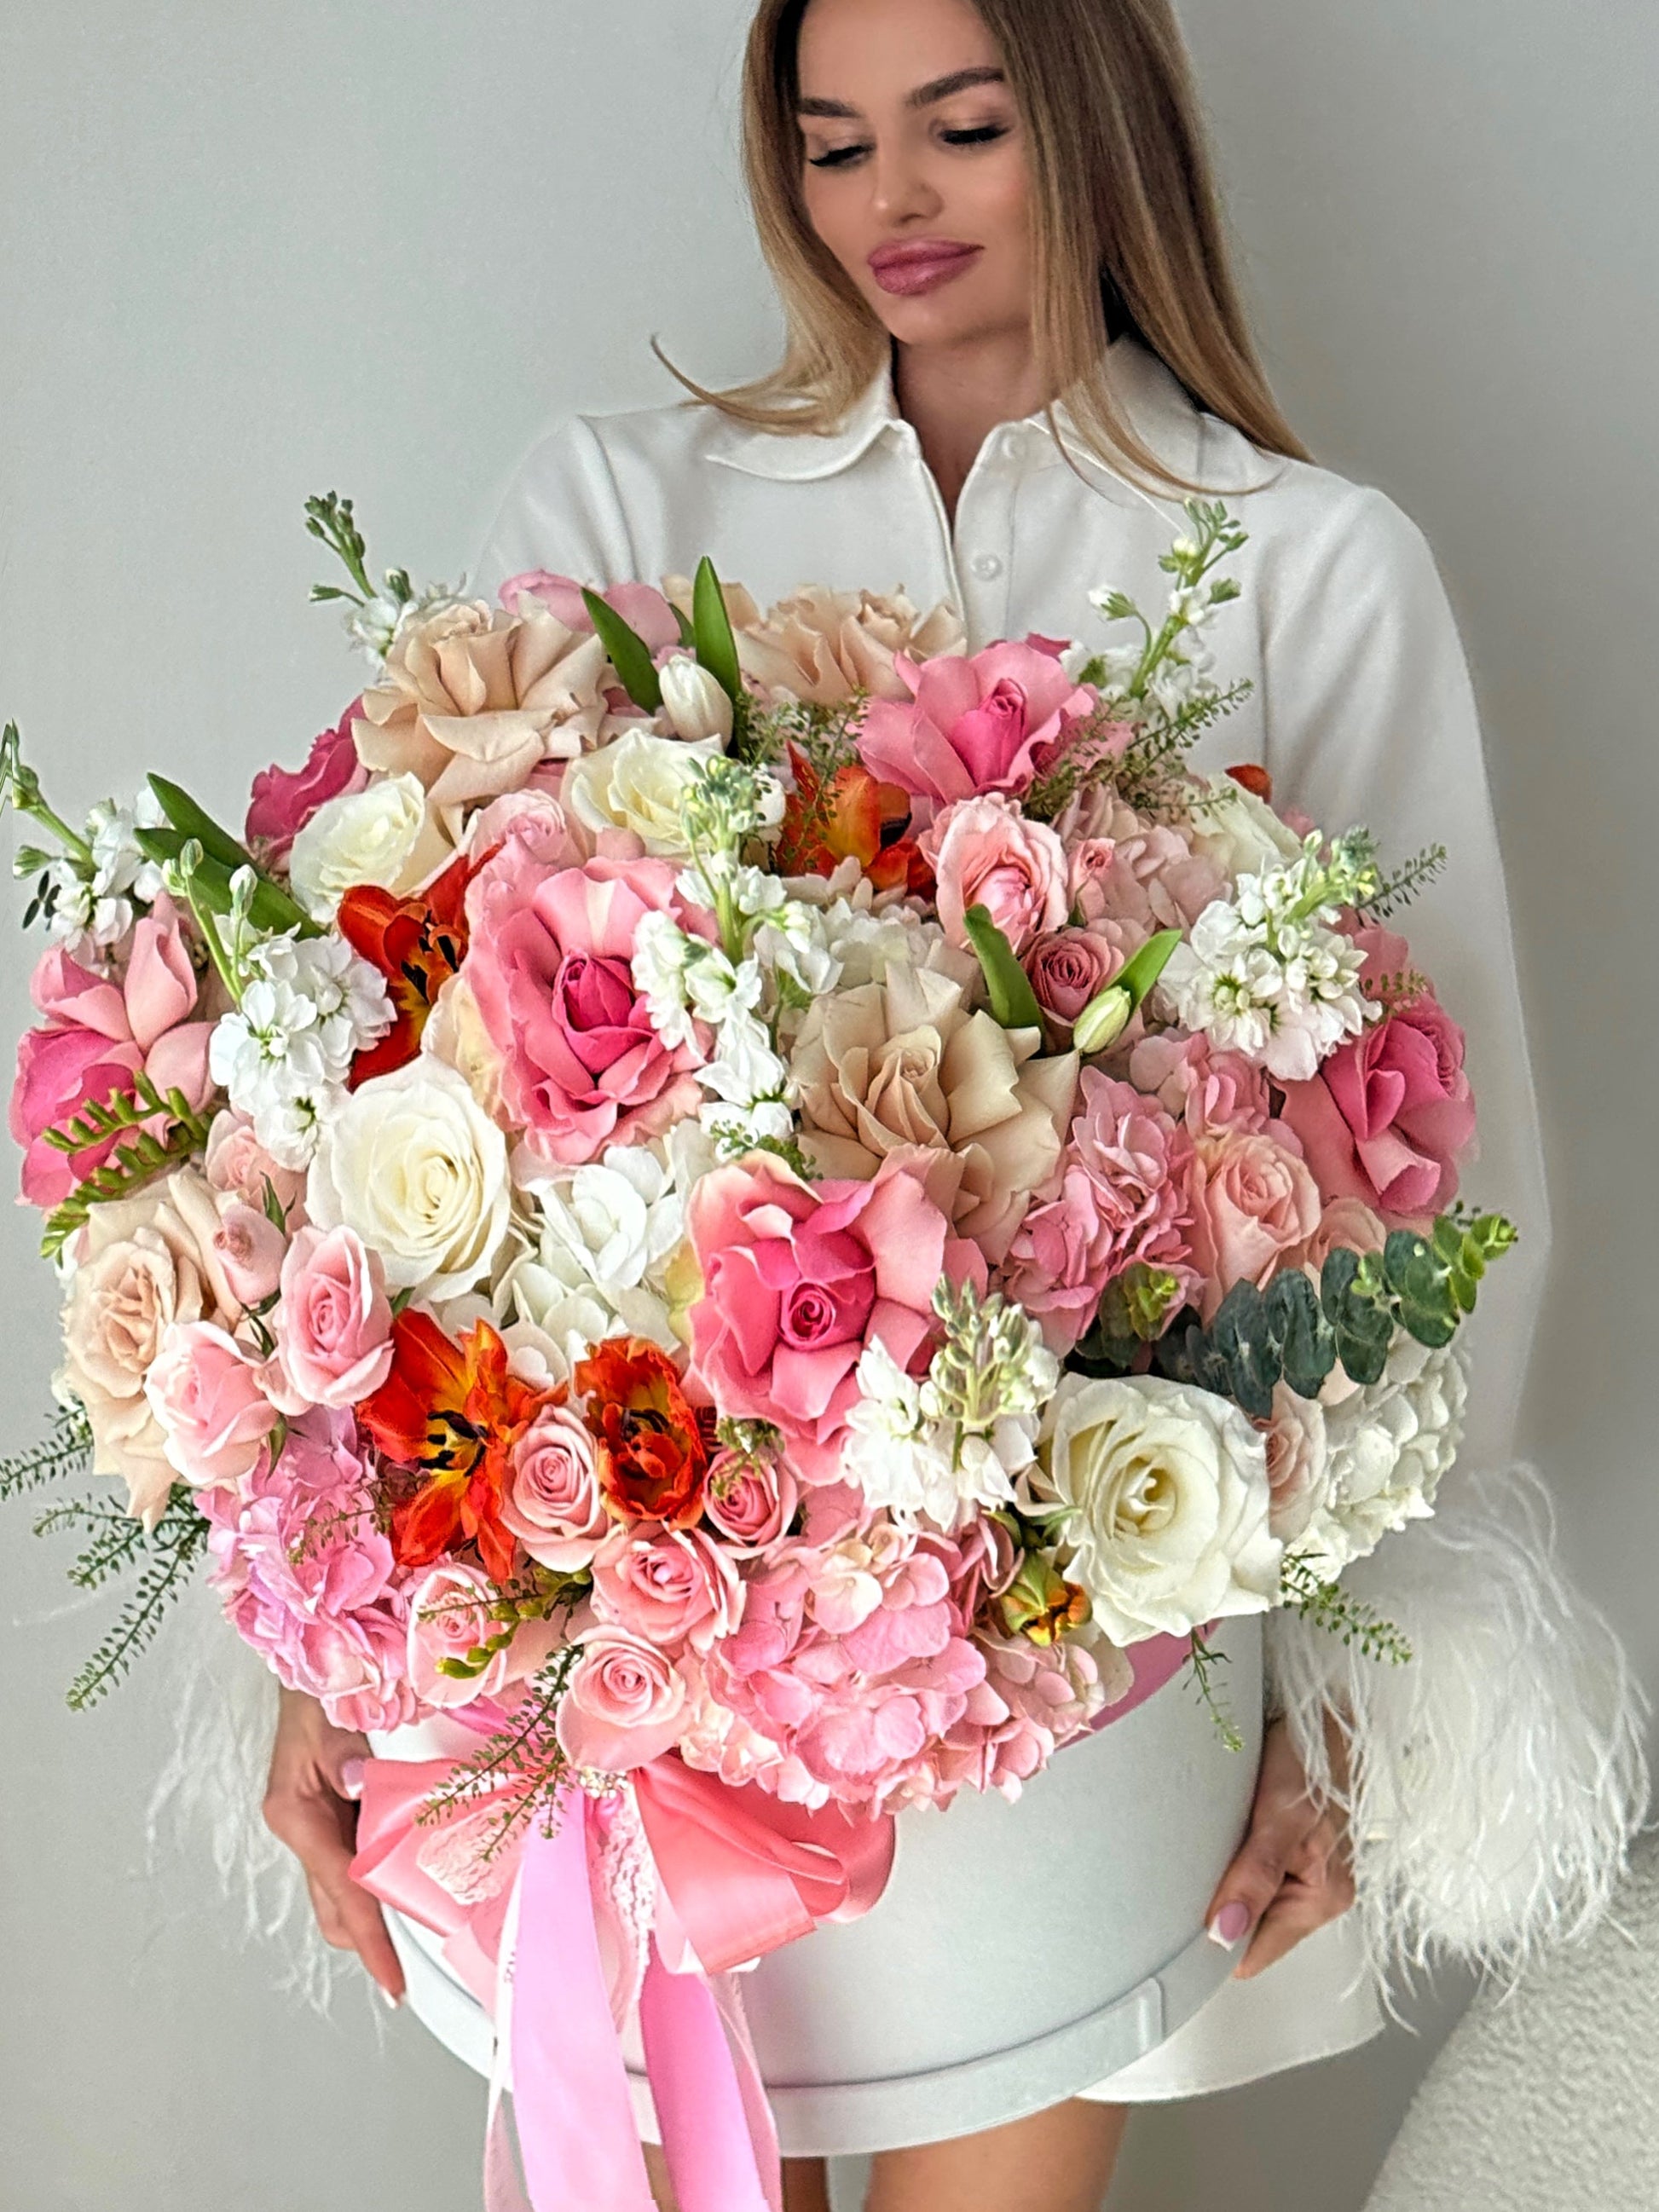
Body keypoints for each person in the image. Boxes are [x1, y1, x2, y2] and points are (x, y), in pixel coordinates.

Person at [263, 0, 1577, 2206]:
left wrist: (1379, 1706)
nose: (891, 199)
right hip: (656, 1645)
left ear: (1092, 121)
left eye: (961, 125)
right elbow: (415, 1086)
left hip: (1096, 1654)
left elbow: (1453, 1171)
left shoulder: (1310, 559)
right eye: (833, 135)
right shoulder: (618, 498)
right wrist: (341, 1620)